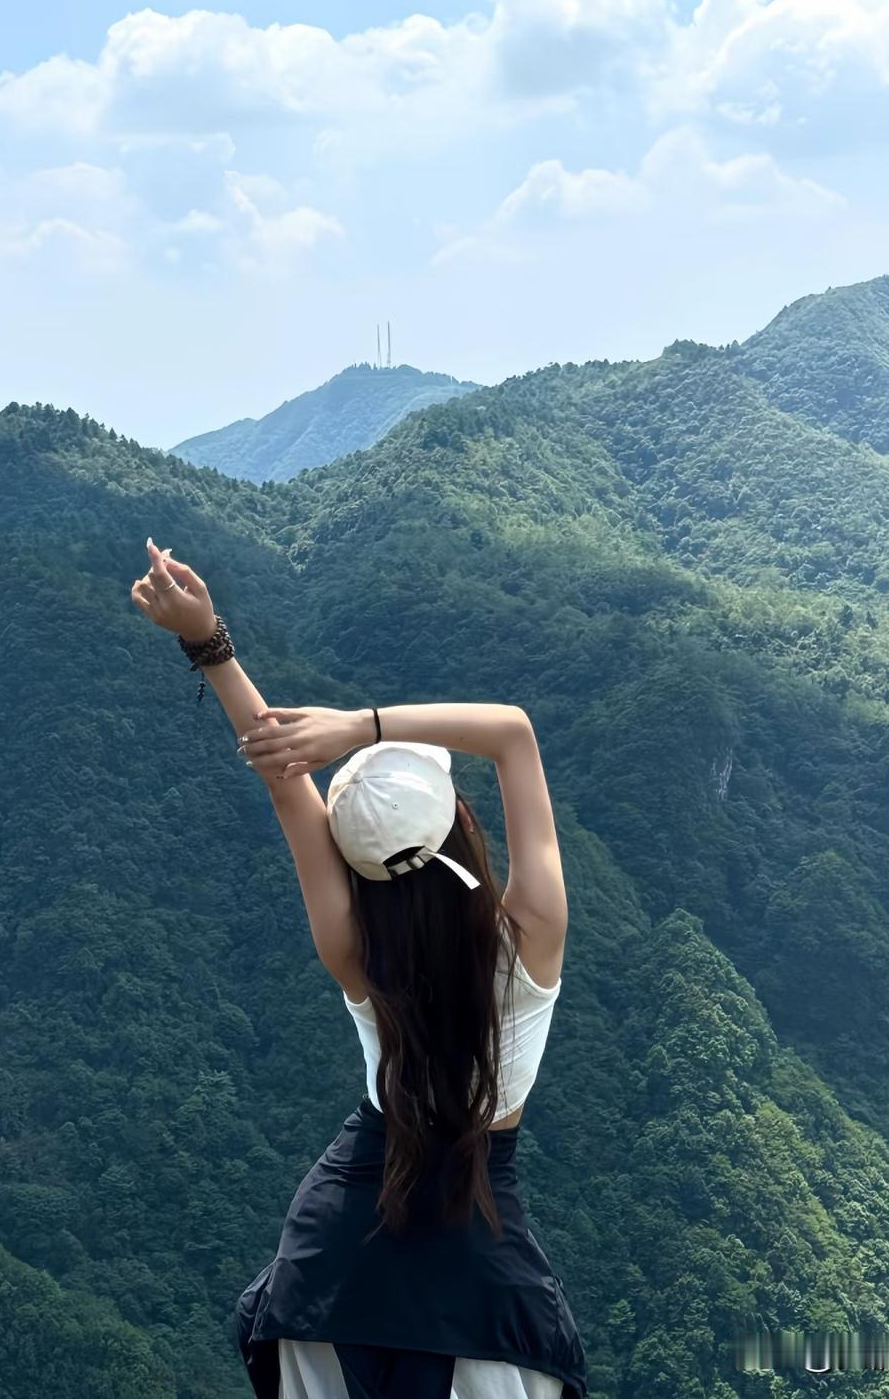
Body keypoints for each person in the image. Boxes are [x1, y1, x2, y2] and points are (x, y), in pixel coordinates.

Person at [130, 539, 589, 1399]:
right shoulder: (529, 940)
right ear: (458, 817)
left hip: (328, 1273)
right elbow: (514, 734)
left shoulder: (355, 947)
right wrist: (364, 726)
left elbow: (280, 783)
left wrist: (208, 641)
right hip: (478, 1298)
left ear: (355, 857)